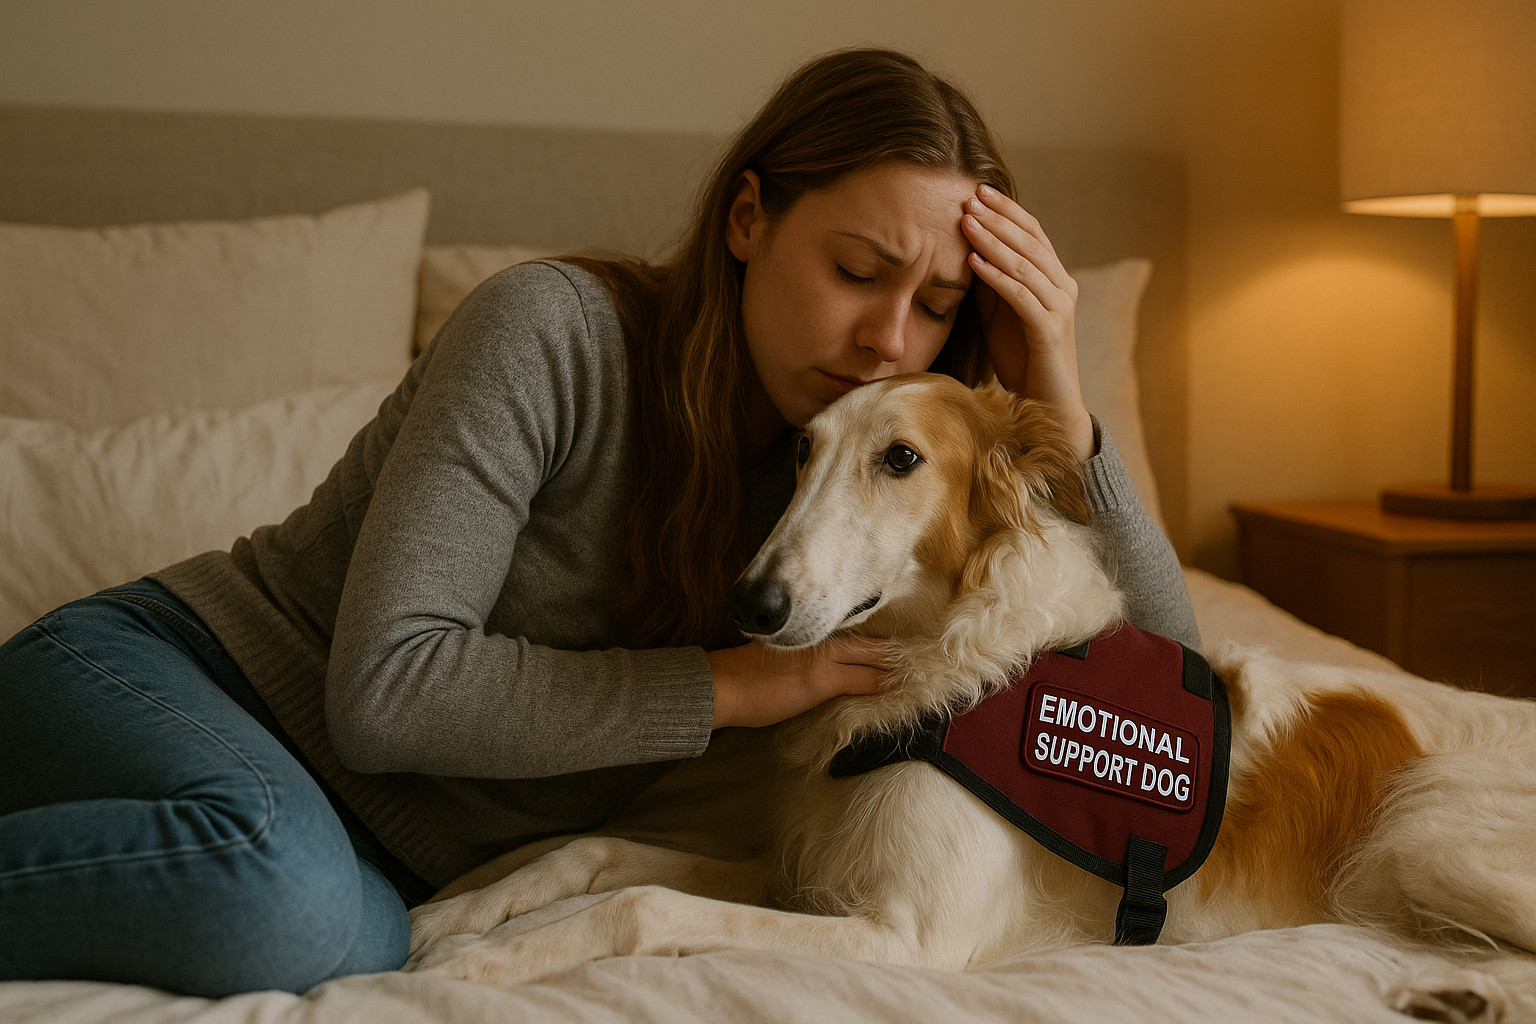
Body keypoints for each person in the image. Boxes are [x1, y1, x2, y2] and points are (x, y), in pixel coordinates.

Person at [0, 47, 1198, 997]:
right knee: (280, 895)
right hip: (172, 676)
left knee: (346, 937)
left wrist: (1062, 400)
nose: (889, 338)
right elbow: (385, 691)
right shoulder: (550, 333)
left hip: (370, 847)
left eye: (935, 304)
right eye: (856, 271)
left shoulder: (891, 488)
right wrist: (736, 686)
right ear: (747, 218)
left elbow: (1175, 699)